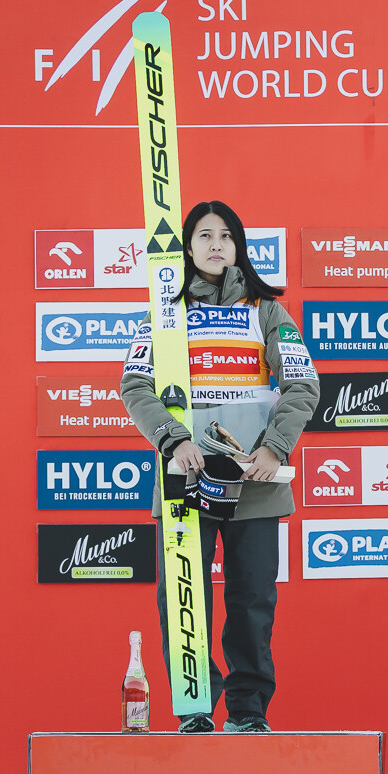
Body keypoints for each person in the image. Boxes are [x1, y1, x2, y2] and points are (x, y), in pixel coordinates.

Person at [121, 200, 319, 733]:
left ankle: (249, 712)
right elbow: (136, 385)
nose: (216, 244)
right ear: (187, 247)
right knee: (185, 597)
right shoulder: (166, 314)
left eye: (226, 235)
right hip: (186, 478)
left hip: (255, 480)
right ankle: (194, 710)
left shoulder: (267, 311)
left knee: (252, 601)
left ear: (239, 246)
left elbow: (303, 384)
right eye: (205, 235)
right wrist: (173, 440)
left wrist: (274, 448)